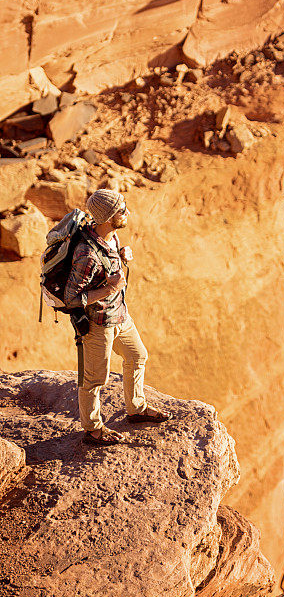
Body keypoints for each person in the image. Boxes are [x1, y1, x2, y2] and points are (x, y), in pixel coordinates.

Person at [64, 189, 170, 446]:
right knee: (94, 380)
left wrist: (120, 257)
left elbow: (108, 270)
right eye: (123, 210)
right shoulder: (86, 254)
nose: (128, 213)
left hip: (120, 315)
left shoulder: (111, 238)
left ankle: (135, 409)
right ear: (109, 217)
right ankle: (93, 429)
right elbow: (71, 298)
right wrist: (109, 288)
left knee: (137, 356)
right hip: (98, 324)